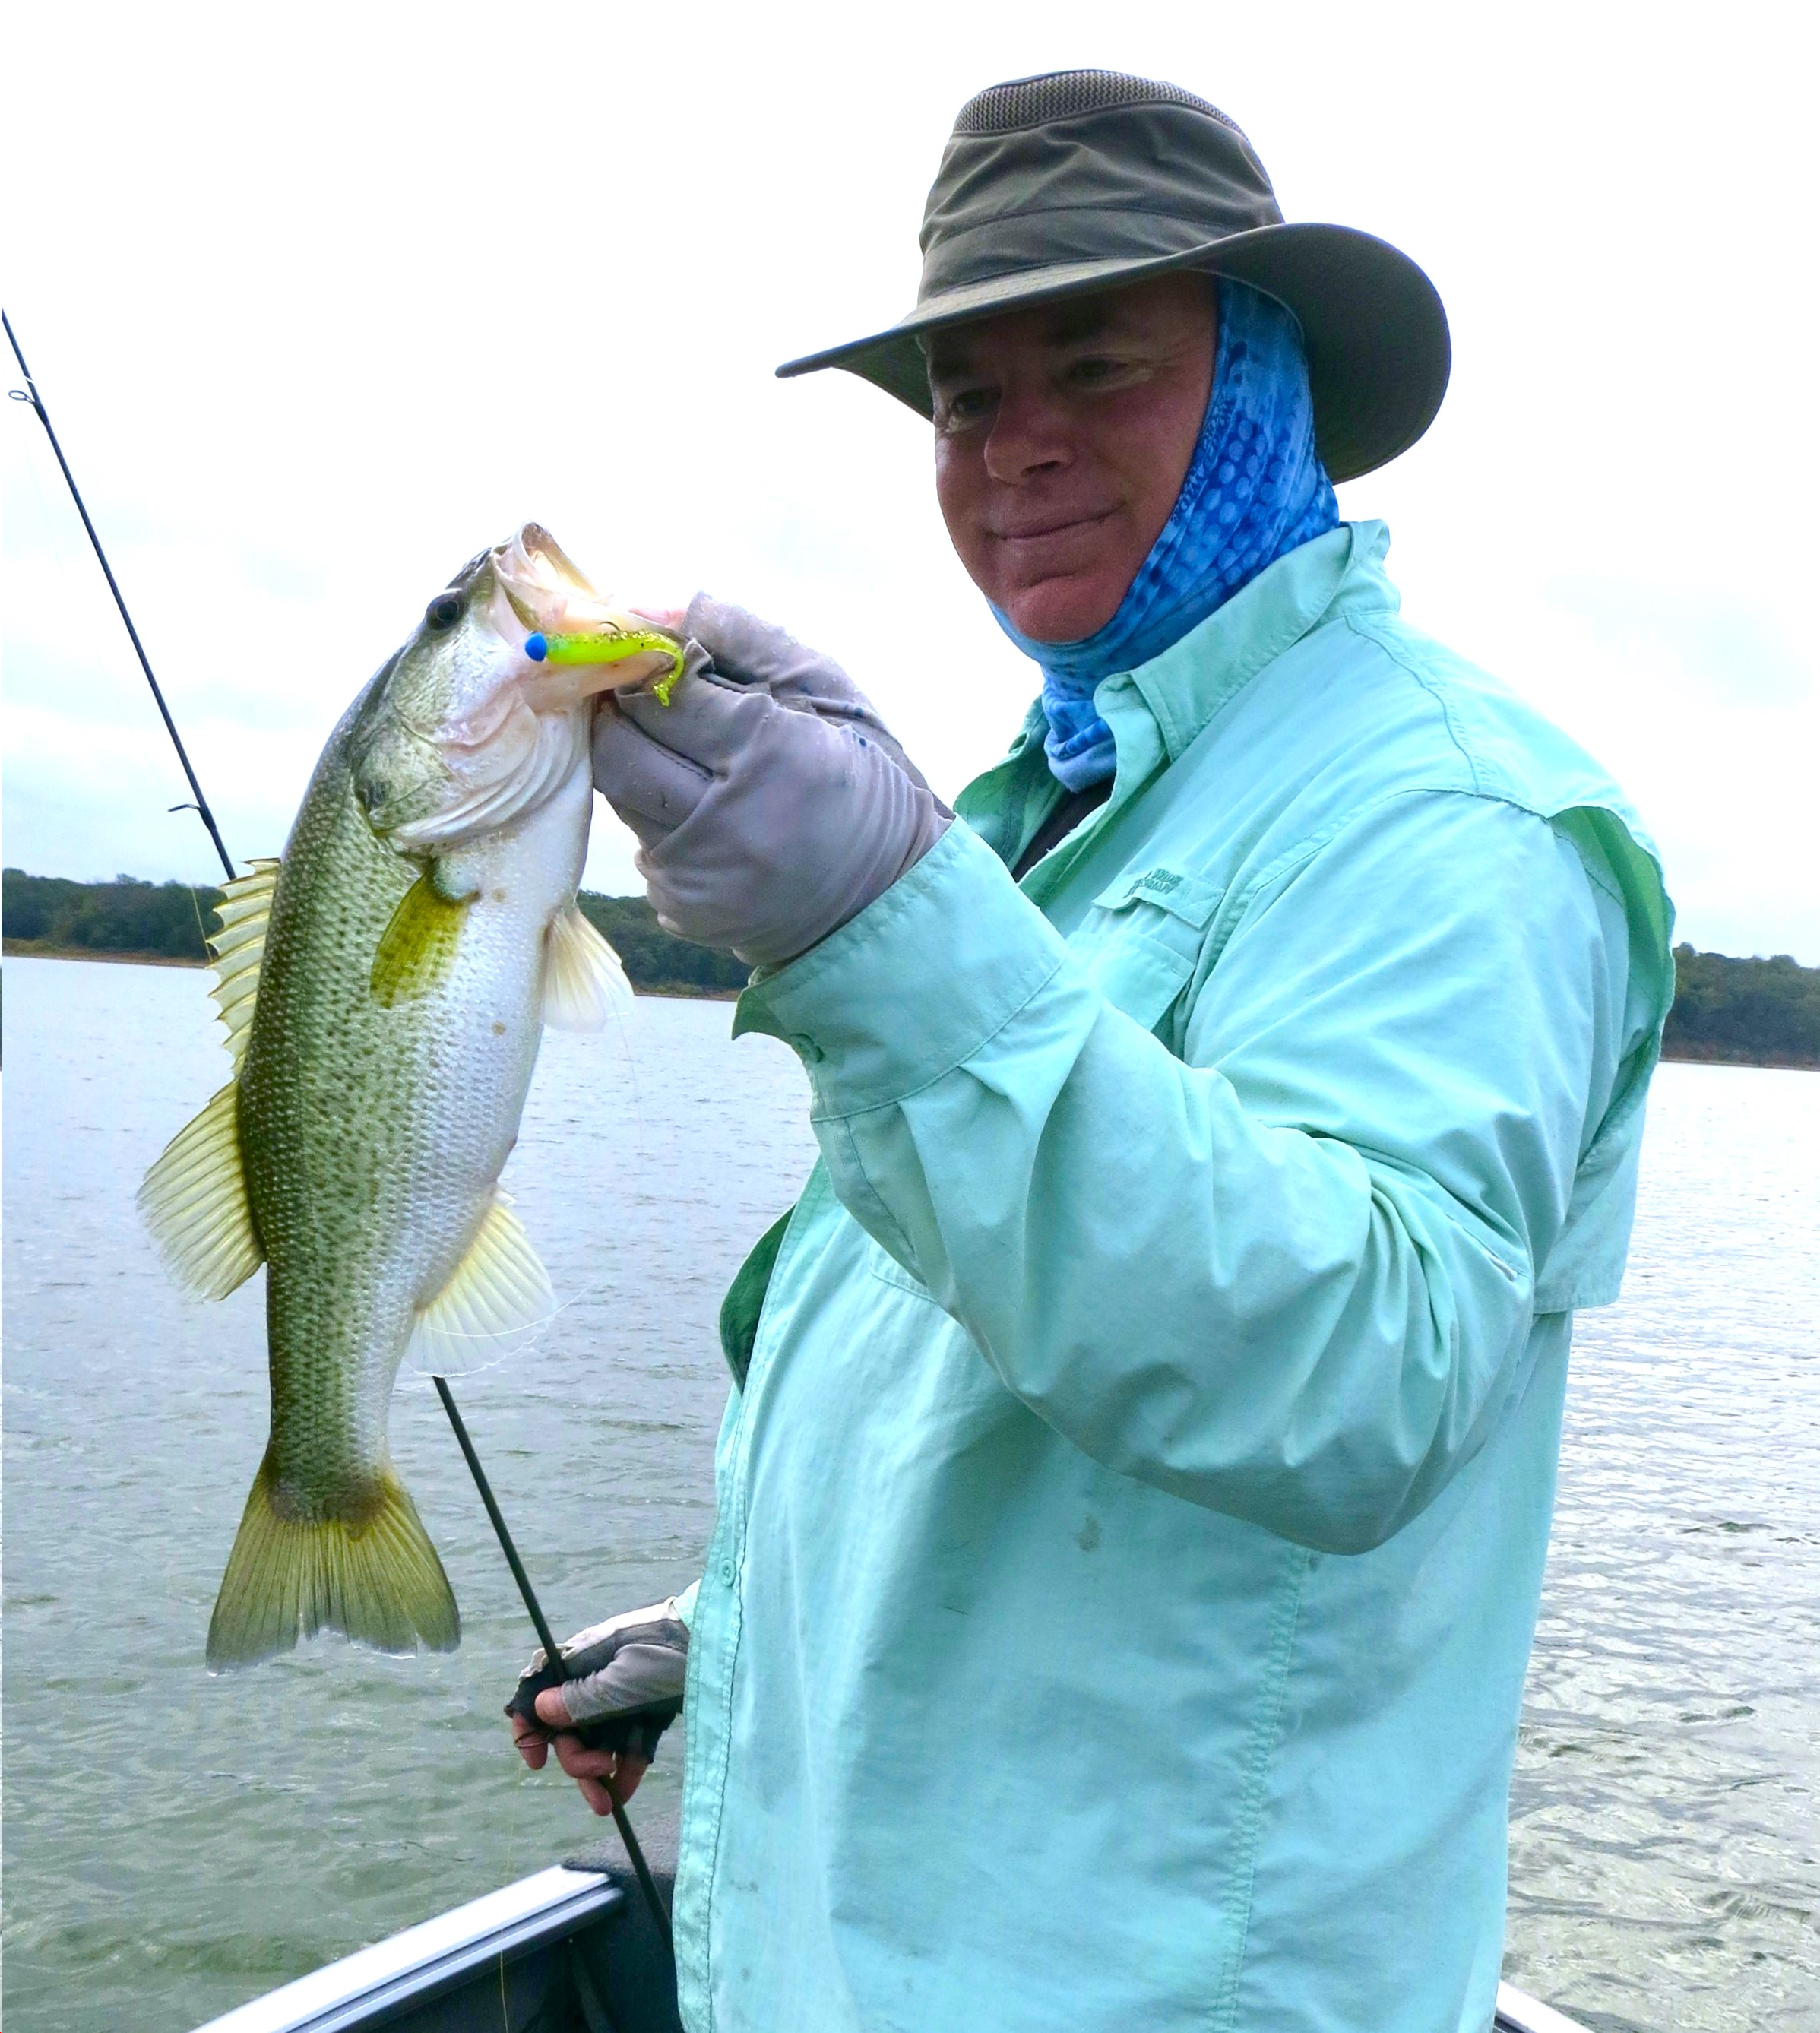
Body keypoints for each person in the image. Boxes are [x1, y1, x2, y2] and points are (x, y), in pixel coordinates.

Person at [509, 70, 1674, 2032]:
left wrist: (879, 931)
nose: (1016, 446)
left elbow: (1364, 1369)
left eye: (1099, 361)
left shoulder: (1456, 818)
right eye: (967, 394)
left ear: (1267, 388)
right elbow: (983, 1378)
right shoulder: (1054, 811)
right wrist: (740, 1631)